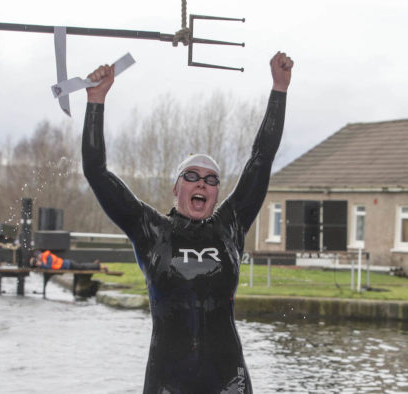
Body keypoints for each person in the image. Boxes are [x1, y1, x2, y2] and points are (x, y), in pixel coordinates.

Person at [82, 51, 292, 393]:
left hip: (227, 379)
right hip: (169, 381)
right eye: (192, 176)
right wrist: (96, 101)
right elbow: (96, 172)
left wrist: (279, 88)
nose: (201, 184)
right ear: (176, 188)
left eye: (211, 180)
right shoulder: (151, 230)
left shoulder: (230, 225)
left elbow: (260, 158)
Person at [29, 250, 107, 271]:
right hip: (67, 264)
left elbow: (49, 267)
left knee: (82, 267)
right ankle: (95, 264)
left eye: (38, 256)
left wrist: (40, 265)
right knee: (82, 266)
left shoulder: (48, 257)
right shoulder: (44, 259)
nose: (38, 259)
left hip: (68, 264)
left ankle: (99, 266)